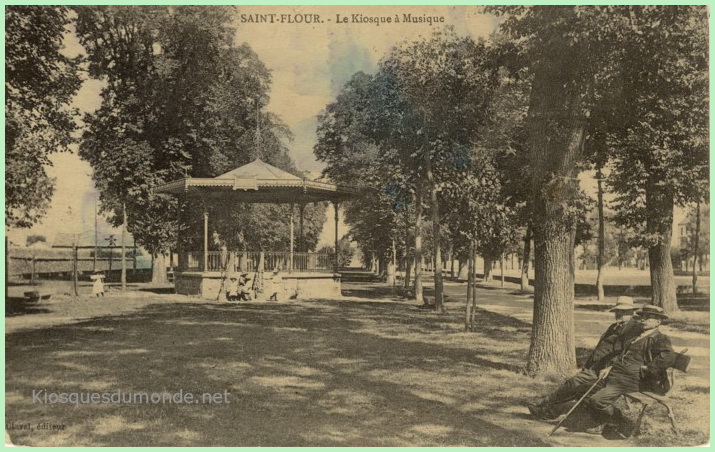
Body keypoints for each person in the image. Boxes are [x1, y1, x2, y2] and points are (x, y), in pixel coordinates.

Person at [527, 296, 640, 420]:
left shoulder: (634, 330)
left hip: (609, 372)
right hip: (595, 368)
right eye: (617, 311)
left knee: (576, 385)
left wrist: (610, 368)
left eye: (623, 312)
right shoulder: (614, 326)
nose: (619, 314)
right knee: (572, 383)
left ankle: (548, 409)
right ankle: (546, 407)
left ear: (631, 313)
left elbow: (627, 355)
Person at [582, 304, 674, 435]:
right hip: (618, 375)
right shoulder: (638, 335)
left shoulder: (660, 338)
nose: (643, 320)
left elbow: (668, 357)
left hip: (636, 379)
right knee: (585, 389)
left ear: (657, 322)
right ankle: (604, 421)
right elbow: (624, 355)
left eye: (648, 318)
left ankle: (617, 420)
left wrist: (647, 368)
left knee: (596, 400)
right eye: (642, 317)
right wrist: (610, 367)